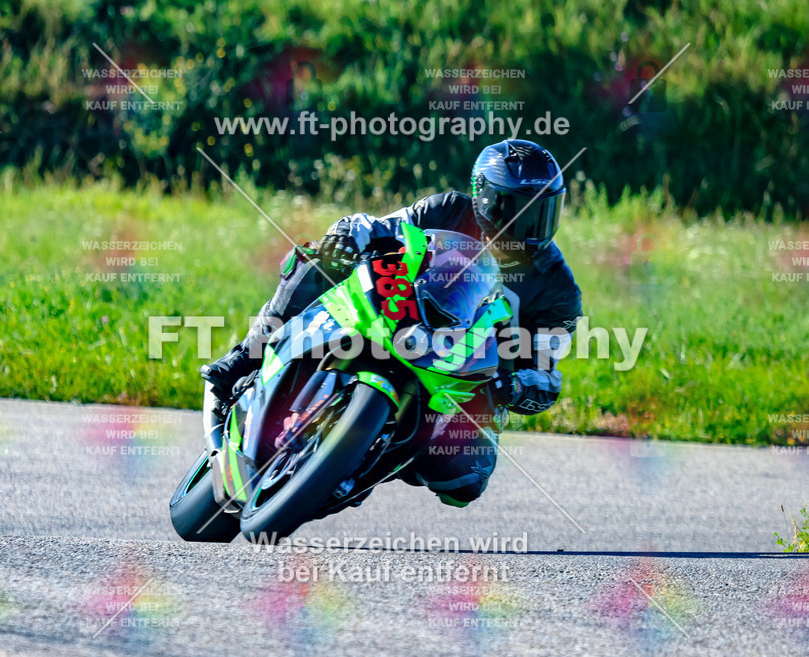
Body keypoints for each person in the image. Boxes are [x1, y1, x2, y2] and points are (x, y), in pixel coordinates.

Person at [201, 139, 582, 506]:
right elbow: (383, 228)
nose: (530, 227)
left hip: (468, 378)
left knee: (463, 480)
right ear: (484, 197)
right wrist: (348, 236)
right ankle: (244, 359)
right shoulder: (447, 209)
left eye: (542, 213)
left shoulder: (559, 289)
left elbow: (547, 375)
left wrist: (513, 385)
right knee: (316, 262)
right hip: (402, 313)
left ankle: (369, 461)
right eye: (517, 210)